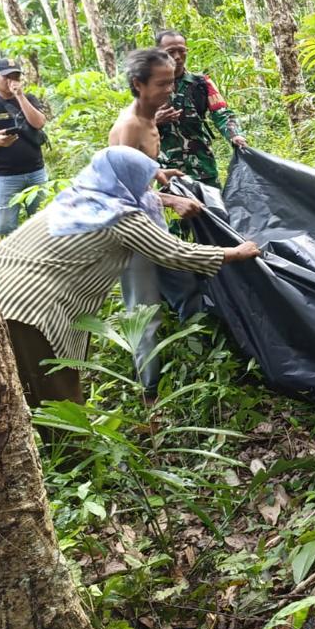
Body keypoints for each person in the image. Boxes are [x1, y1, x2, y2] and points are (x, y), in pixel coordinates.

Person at [0, 147, 260, 445]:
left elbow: (139, 197)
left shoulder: (79, 199)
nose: (151, 185)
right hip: (30, 310)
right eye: (146, 178)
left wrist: (165, 194)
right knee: (58, 394)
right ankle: (76, 468)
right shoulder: (123, 217)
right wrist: (235, 253)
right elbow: (173, 253)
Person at [109, 48, 204, 403]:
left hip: (151, 221)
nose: (170, 88)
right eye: (162, 83)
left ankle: (200, 360)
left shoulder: (150, 119)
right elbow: (119, 191)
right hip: (130, 230)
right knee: (144, 310)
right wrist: (173, 200)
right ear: (139, 84)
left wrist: (159, 172)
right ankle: (149, 392)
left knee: (187, 285)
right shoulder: (130, 126)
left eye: (172, 81)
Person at [152, 30, 247, 188]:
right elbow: (134, 123)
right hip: (167, 170)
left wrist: (235, 135)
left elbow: (223, 114)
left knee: (213, 211)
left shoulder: (202, 83)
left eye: (182, 51)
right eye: (170, 52)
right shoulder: (148, 86)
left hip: (203, 167)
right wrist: (155, 120)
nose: (177, 57)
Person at [0, 59, 49, 236]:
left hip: (36, 172)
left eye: (15, 76)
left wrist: (20, 96)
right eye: (6, 76)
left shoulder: (29, 99)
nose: (11, 80)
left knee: (43, 224)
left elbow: (38, 123)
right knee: (5, 227)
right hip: (5, 176)